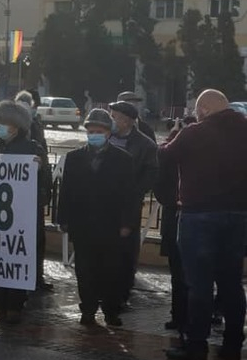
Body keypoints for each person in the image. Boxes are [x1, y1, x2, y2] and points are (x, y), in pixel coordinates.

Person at [159, 90, 247, 360]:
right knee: (232, 282)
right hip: (239, 216)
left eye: (198, 110)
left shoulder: (194, 133)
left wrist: (174, 133)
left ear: (206, 109)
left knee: (199, 284)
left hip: (199, 215)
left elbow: (165, 156)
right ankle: (233, 345)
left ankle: (196, 346)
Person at [57, 109, 135, 327]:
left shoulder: (123, 160)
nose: (94, 135)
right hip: (83, 225)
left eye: (99, 131)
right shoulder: (74, 158)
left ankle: (111, 311)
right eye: (90, 131)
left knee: (111, 271)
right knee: (85, 270)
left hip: (111, 225)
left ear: (108, 133)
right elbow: (66, 191)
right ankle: (88, 309)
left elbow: (129, 194)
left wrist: (127, 223)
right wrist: (63, 219)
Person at [0, 100, 52, 323]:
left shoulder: (32, 149)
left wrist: (38, 169)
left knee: (15, 261)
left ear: (18, 126)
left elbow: (45, 186)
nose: (2, 126)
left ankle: (15, 305)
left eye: (7, 123)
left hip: (20, 217)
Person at [109, 100, 159, 308]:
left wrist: (134, 191)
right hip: (102, 202)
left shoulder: (145, 145)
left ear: (129, 120)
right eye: (111, 116)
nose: (112, 121)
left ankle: (122, 293)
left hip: (127, 204)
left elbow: (151, 174)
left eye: (116, 117)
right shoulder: (106, 137)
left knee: (125, 250)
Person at [154, 117, 196, 335]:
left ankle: (186, 318)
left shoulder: (174, 149)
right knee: (181, 273)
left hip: (188, 218)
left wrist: (174, 135)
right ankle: (180, 316)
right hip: (179, 218)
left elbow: (162, 155)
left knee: (188, 274)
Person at [15, 89, 51, 291]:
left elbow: (43, 157)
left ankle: (36, 277)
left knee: (36, 239)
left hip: (32, 193)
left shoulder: (36, 128)